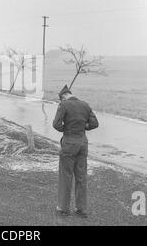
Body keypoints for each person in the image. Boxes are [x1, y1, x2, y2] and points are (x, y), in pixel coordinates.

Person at [53, 85, 99, 218]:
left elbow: (56, 124)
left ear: (62, 98)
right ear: (70, 93)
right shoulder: (85, 105)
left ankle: (63, 208)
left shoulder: (63, 105)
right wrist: (84, 126)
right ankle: (81, 209)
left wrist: (66, 128)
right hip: (83, 143)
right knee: (81, 177)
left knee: (66, 176)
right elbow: (95, 124)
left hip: (69, 143)